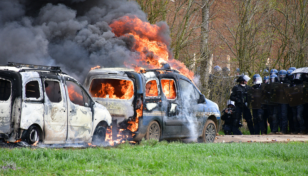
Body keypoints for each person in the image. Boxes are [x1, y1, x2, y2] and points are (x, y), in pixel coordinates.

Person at [276, 70, 288, 134]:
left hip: (285, 102)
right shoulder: (277, 83)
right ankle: (281, 129)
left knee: (284, 116)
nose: (282, 77)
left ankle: (284, 130)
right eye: (281, 75)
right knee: (279, 115)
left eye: (283, 75)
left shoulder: (287, 83)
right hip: (279, 101)